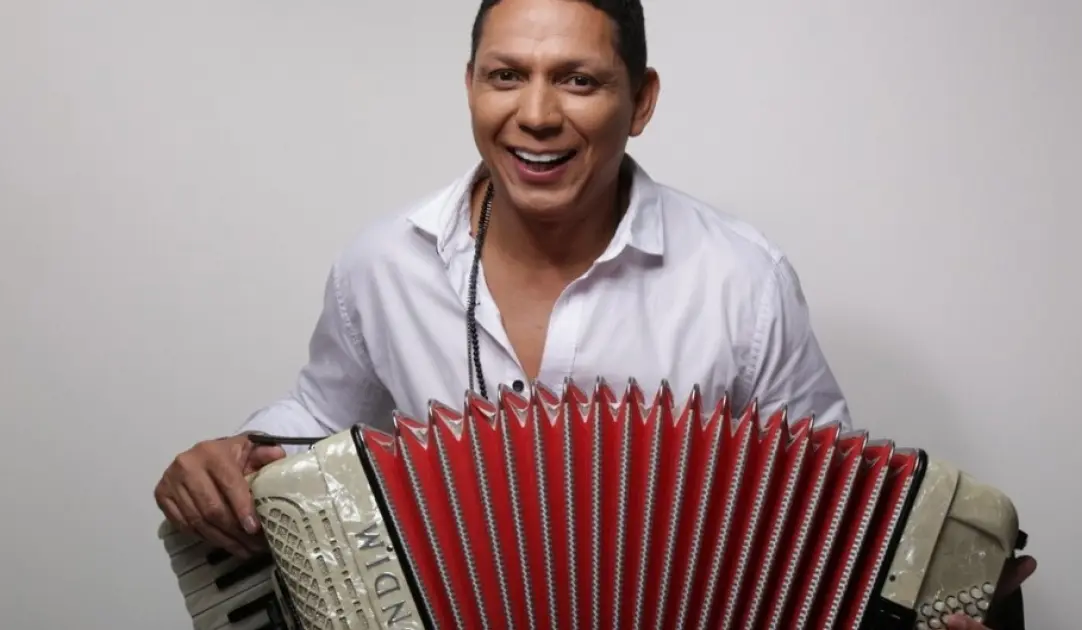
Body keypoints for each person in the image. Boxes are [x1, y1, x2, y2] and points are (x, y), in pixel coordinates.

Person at [153, 1, 1034, 628]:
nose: (535, 115)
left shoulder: (742, 278)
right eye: (506, 77)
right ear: (470, 86)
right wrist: (233, 456)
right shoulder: (381, 264)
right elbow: (317, 420)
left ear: (640, 101)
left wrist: (921, 605)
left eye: (578, 80)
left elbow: (833, 521)